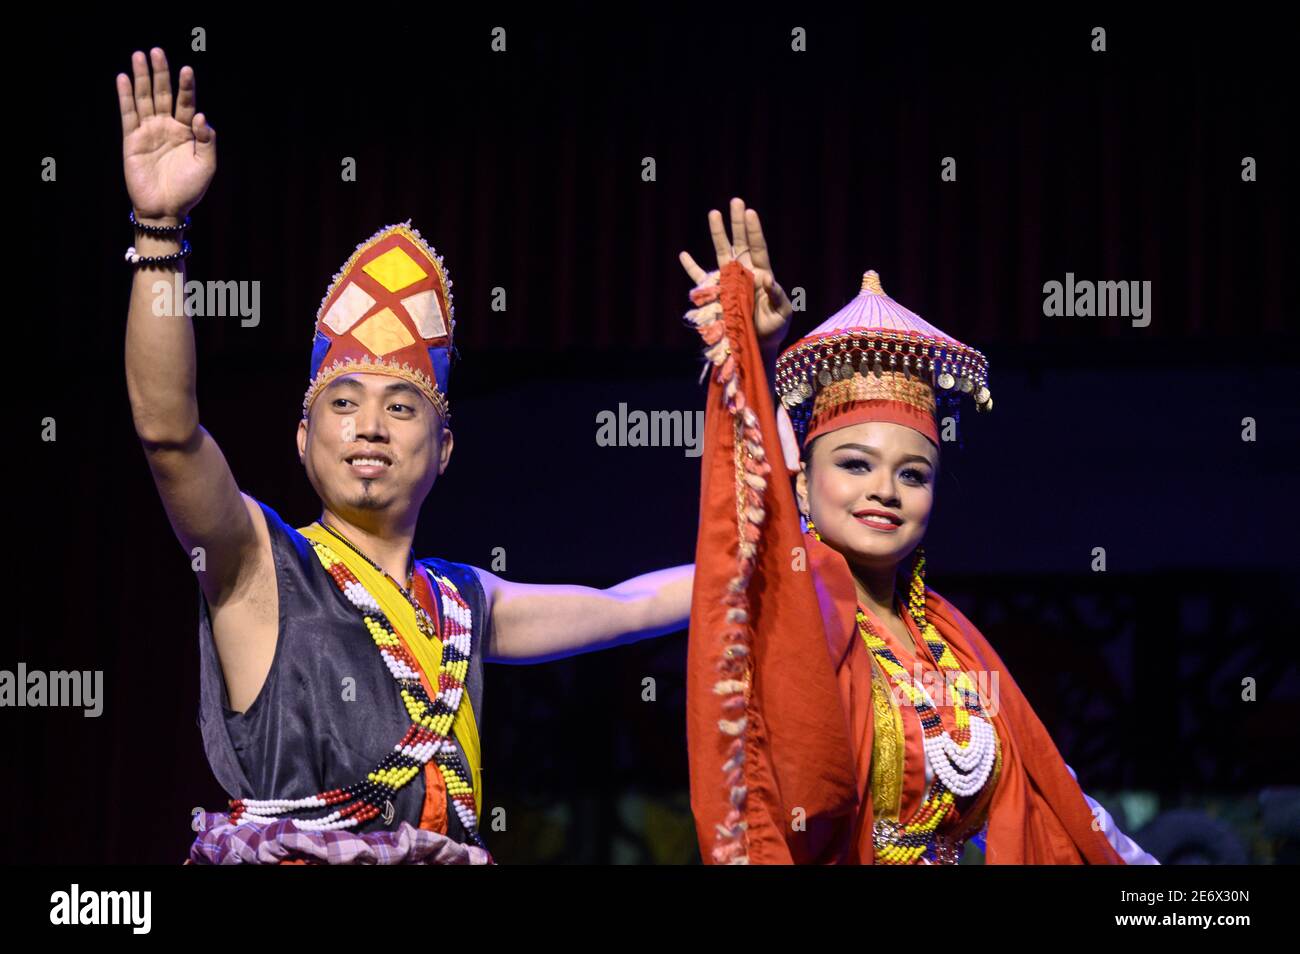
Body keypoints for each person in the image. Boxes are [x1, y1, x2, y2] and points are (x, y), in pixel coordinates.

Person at [118, 47, 692, 865]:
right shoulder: (255, 564)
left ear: (445, 447)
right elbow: (168, 432)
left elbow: (631, 604)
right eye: (342, 404)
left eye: (401, 406)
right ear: (302, 439)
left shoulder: (461, 603)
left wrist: (792, 553)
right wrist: (159, 232)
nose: (370, 426)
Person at [678, 198, 1158, 865]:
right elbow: (746, 541)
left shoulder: (954, 642)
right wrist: (756, 355)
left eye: (914, 474)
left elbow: (1062, 800)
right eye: (854, 464)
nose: (885, 490)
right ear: (801, 476)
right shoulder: (800, 610)